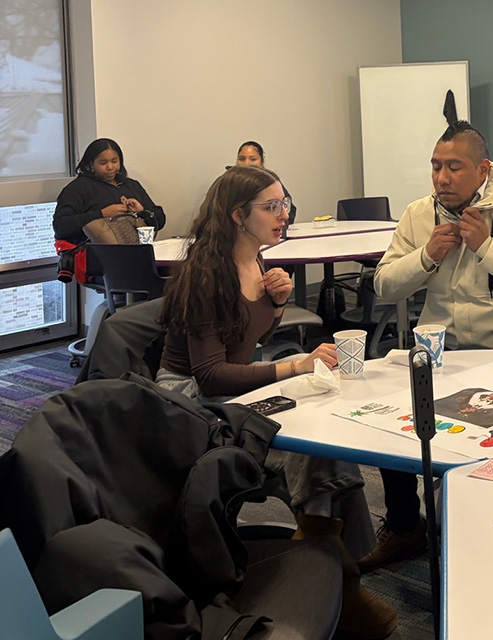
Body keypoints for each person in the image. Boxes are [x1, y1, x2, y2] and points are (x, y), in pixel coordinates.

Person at [156, 165, 397, 639]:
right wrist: (295, 366)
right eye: (271, 206)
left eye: (284, 203)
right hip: (186, 404)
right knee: (303, 449)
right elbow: (208, 375)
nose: (283, 213)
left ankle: (334, 574)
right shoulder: (207, 275)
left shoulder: (256, 262)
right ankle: (336, 578)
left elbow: (247, 338)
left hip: (231, 392)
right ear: (237, 215)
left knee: (326, 439)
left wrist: (277, 305)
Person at [366, 120, 493, 572]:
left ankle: (491, 537)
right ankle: (404, 526)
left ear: (483, 169)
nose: (441, 178)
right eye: (435, 167)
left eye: (453, 167)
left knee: (491, 454)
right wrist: (425, 257)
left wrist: (489, 247)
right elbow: (383, 286)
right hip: (444, 356)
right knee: (385, 418)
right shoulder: (420, 214)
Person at [53, 138, 165, 246]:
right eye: (103, 163)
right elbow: (61, 226)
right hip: (96, 258)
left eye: (114, 161)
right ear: (91, 164)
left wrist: (142, 211)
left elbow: (160, 221)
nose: (110, 167)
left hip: (138, 253)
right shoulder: (78, 188)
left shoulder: (131, 185)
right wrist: (101, 214)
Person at [233, 140, 298, 224]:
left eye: (253, 159)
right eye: (242, 159)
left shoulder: (270, 182)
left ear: (261, 162)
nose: (247, 163)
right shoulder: (227, 183)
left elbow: (289, 210)